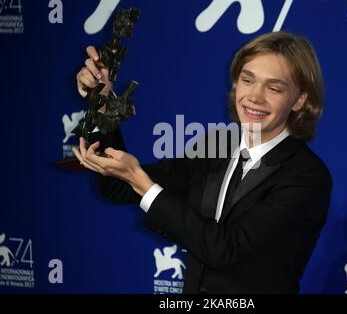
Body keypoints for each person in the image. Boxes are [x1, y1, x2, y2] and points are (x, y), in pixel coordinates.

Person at [73, 31, 332, 293]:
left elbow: (225, 250)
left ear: (299, 100)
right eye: (247, 80)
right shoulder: (216, 146)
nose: (254, 96)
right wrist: (102, 105)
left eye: (274, 88)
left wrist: (141, 182)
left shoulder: (307, 177)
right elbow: (118, 187)